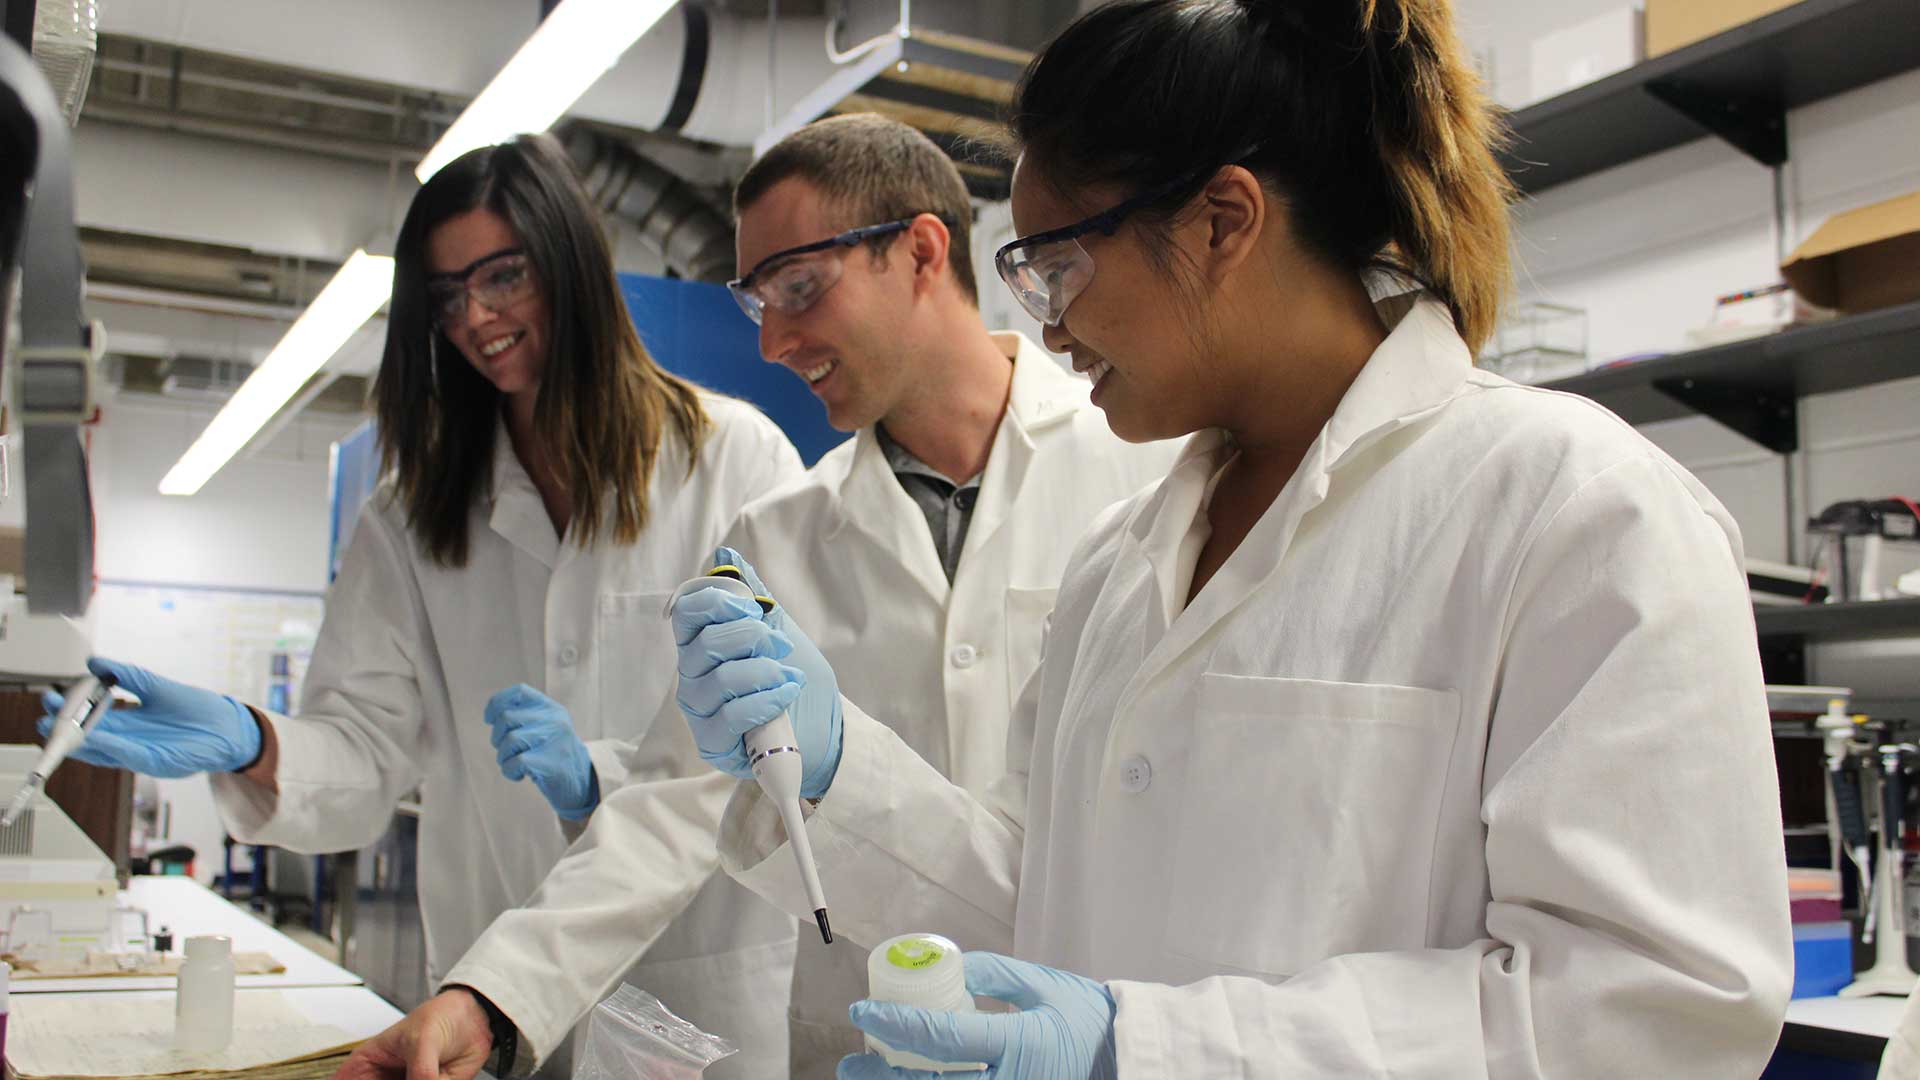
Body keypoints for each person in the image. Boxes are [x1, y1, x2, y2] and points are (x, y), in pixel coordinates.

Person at [671, 2, 1795, 1076]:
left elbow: (1656, 1011)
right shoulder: (1119, 563)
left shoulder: (1578, 513)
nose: (1047, 326)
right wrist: (836, 775)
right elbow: (1044, 903)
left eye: (1056, 267)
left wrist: (1147, 1051)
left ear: (1223, 221)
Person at [344, 113, 1182, 1080]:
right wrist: (490, 999)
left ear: (920, 251)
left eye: (799, 287)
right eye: (756, 303)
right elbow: (676, 804)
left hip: (1104, 1032)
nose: (775, 340)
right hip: (869, 1042)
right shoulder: (776, 537)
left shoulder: (1144, 469)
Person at [47, 134, 803, 1078]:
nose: (475, 317)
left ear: (568, 260)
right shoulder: (414, 514)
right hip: (480, 1005)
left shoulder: (734, 462)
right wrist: (254, 740)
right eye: (446, 298)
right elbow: (365, 751)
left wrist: (600, 781)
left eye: (503, 277)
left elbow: (752, 758)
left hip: (695, 999)